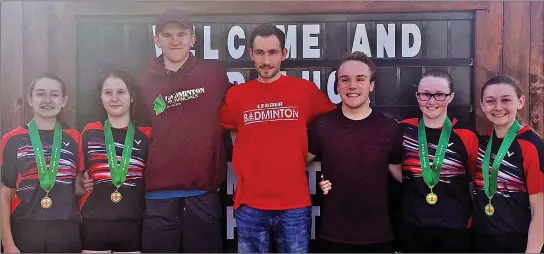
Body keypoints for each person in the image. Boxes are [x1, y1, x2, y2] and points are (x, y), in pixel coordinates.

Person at [218, 24, 336, 253]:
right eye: (259, 53)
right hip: (249, 205)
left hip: (295, 205)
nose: (266, 61)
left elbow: (333, 125)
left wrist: (308, 153)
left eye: (272, 53)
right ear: (251, 54)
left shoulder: (305, 91)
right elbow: (213, 127)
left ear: (284, 53)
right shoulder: (237, 95)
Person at [137, 8, 230, 253]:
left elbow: (237, 114)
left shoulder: (213, 75)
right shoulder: (144, 80)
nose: (175, 40)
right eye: (167, 35)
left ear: (193, 39)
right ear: (156, 40)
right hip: (158, 195)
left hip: (202, 193)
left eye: (181, 34)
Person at [308, 51, 404, 253]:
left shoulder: (390, 128)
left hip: (379, 237)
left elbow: (402, 176)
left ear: (371, 85)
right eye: (345, 80)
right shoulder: (322, 125)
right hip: (332, 236)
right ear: (337, 86)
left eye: (360, 79)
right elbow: (296, 163)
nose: (352, 85)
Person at [394, 70, 478, 252]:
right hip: (411, 227)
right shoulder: (402, 130)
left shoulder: (466, 136)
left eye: (439, 95)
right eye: (425, 94)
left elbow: (475, 178)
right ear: (418, 96)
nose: (431, 101)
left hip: (455, 228)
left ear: (451, 97)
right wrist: (417, 181)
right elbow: (392, 165)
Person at [0, 74, 83, 253]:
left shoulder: (75, 138)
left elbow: (75, 185)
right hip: (25, 228)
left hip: (66, 229)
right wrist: (8, 244)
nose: (47, 100)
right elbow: (4, 194)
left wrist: (83, 187)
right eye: (40, 94)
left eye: (54, 94)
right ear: (30, 99)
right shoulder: (11, 139)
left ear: (64, 101)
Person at [79, 70, 151, 253]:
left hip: (133, 223)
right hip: (93, 223)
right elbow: (77, 176)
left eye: (121, 92)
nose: (114, 98)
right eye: (108, 92)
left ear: (132, 96)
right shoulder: (89, 131)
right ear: (101, 97)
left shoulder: (146, 135)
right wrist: (79, 184)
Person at [472, 74, 543, 253]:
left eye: (506, 100)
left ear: (520, 102)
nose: (498, 107)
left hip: (518, 242)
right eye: (490, 101)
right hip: (480, 240)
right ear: (482, 105)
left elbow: (540, 210)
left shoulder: (532, 145)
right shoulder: (482, 142)